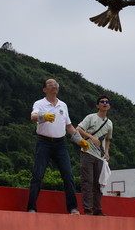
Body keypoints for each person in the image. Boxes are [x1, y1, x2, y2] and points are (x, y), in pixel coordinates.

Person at [27, 79, 81, 215]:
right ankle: (31, 207)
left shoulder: (63, 105)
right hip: (43, 142)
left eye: (56, 84)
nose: (54, 86)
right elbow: (33, 117)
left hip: (60, 144)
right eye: (50, 85)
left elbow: (68, 126)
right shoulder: (40, 103)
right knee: (38, 175)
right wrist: (43, 116)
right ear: (44, 89)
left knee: (68, 175)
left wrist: (80, 141)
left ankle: (72, 208)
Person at [76, 96, 113, 216]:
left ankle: (97, 209)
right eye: (102, 102)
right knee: (88, 182)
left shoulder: (109, 124)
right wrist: (92, 138)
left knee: (98, 183)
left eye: (107, 102)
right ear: (97, 105)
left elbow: (108, 139)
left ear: (109, 106)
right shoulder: (91, 118)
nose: (105, 104)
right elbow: (78, 129)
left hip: (100, 156)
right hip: (87, 152)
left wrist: (107, 152)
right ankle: (87, 209)